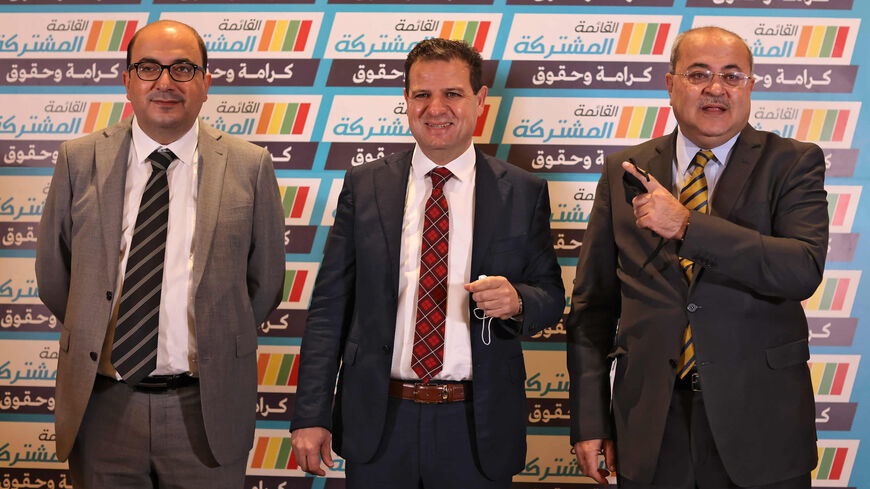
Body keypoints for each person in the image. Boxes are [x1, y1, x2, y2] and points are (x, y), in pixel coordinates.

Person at [290, 38, 564, 488]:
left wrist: (518, 300)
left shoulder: (523, 191)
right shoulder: (365, 185)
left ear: (479, 101)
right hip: (380, 422)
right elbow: (329, 309)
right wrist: (310, 414)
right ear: (406, 100)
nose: (436, 107)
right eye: (422, 94)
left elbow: (551, 296)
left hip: (477, 425)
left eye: (452, 94)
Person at [566, 26, 827, 489]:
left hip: (761, 426)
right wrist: (589, 420)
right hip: (649, 427)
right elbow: (593, 309)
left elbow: (801, 269)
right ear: (670, 84)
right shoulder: (623, 170)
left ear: (750, 86)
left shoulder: (792, 162)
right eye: (698, 73)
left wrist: (687, 225)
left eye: (732, 76)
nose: (715, 88)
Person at [35, 20, 285, 488]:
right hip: (102, 403)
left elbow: (265, 283)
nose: (165, 82)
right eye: (148, 68)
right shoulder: (77, 158)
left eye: (183, 68)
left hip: (206, 408)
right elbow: (55, 277)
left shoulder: (251, 166)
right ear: (126, 79)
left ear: (206, 83)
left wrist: (216, 333)